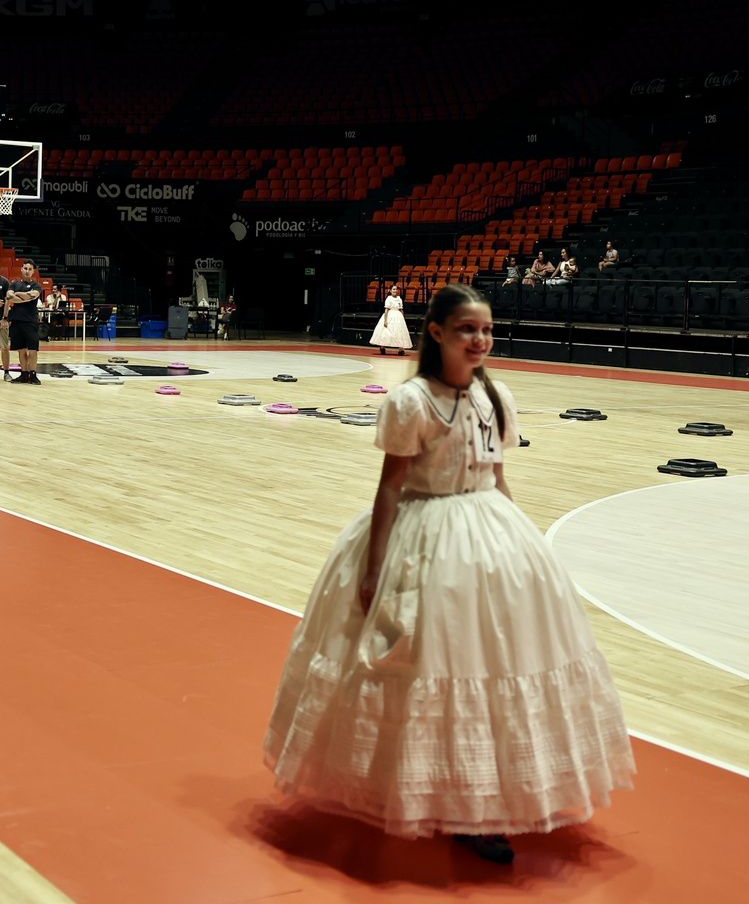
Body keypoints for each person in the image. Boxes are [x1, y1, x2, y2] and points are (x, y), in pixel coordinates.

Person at [264, 283, 634, 864]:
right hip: (426, 537)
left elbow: (497, 475)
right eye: (467, 329)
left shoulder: (495, 397)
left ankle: (483, 800)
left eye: (486, 330)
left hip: (486, 533)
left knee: (489, 664)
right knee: (426, 665)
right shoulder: (412, 402)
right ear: (436, 333)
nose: (480, 340)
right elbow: (390, 488)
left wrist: (523, 546)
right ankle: (440, 795)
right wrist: (373, 565)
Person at [6, 262, 44, 384]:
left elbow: (33, 295)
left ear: (33, 271)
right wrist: (25, 297)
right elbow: (9, 297)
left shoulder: (36, 285)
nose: (27, 271)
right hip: (17, 321)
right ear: (22, 269)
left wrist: (17, 295)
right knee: (21, 350)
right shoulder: (14, 284)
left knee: (33, 350)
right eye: (25, 268)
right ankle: (24, 374)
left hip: (31, 321)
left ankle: (33, 375)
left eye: (30, 269)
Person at [368, 283, 412, 355]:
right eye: (393, 289)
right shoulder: (389, 298)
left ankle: (401, 349)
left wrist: (403, 317)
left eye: (396, 289)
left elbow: (401, 309)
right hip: (390, 316)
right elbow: (386, 310)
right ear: (390, 291)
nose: (395, 290)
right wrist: (385, 320)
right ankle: (382, 347)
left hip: (398, 317)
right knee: (386, 332)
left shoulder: (399, 299)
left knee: (399, 332)